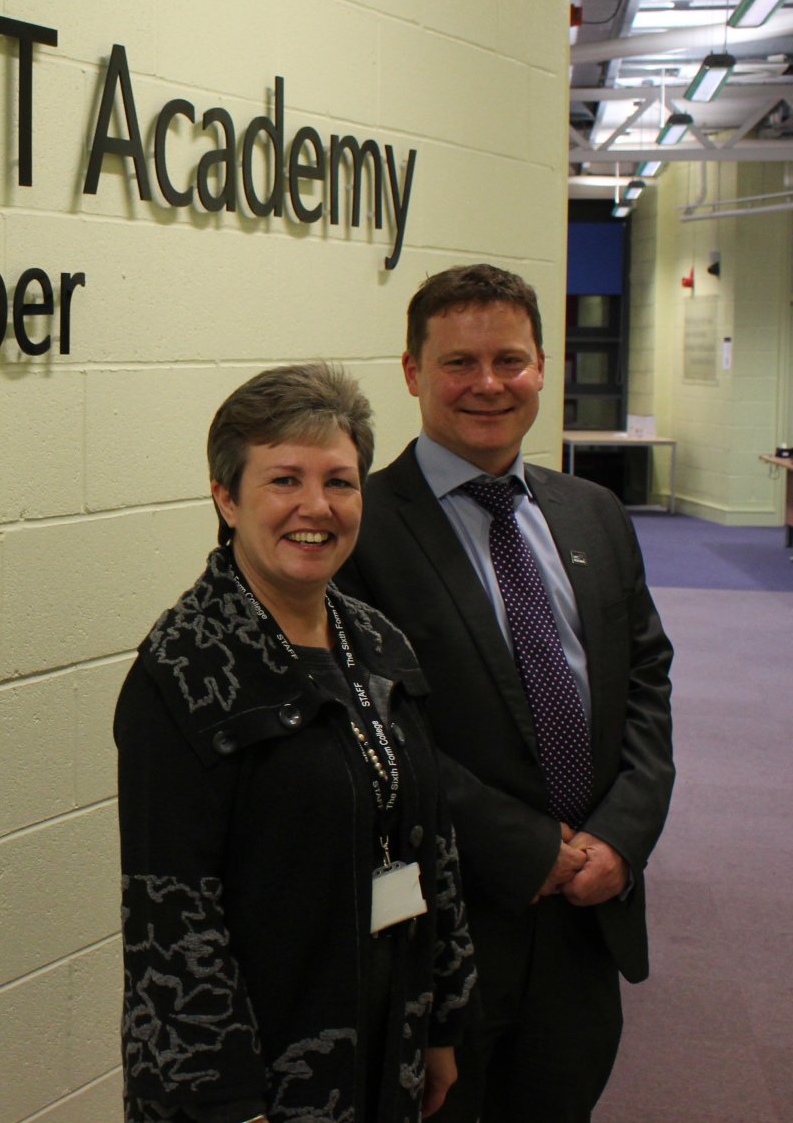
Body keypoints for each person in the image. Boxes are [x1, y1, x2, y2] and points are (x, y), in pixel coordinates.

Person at [336, 264, 674, 1123]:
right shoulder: (359, 530)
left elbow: (645, 681)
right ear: (412, 372)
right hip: (454, 928)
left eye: (510, 360)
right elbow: (373, 729)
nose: (487, 384)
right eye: (459, 362)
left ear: (542, 368)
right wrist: (530, 848)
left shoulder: (594, 511)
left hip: (588, 917)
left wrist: (622, 836)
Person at [117, 363, 476, 1123]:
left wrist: (439, 1019)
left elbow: (428, 841)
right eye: (284, 479)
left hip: (385, 1047)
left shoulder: (377, 641)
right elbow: (175, 923)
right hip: (260, 1085)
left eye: (340, 482)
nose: (316, 507)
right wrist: (226, 1104)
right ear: (226, 496)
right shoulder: (184, 671)